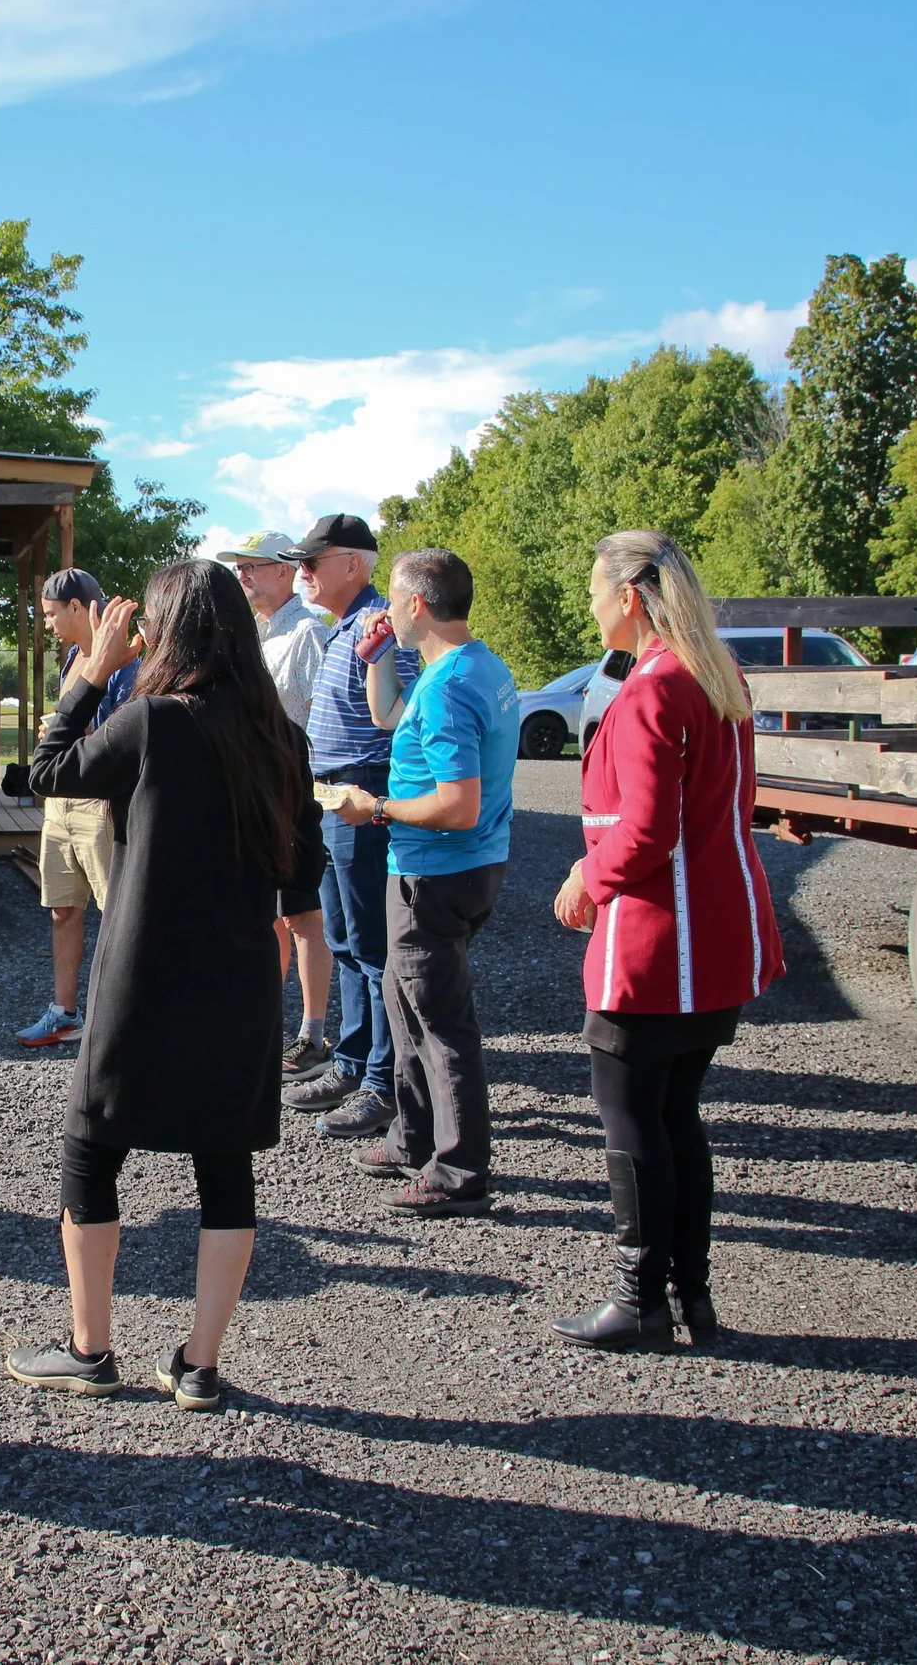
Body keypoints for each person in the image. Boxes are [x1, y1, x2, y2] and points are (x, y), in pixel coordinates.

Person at [5, 558, 323, 1413]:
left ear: (168, 630)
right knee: (224, 1165)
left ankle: (90, 1348)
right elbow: (305, 867)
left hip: (144, 974)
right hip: (242, 976)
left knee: (90, 1147)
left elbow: (48, 772)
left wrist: (91, 671)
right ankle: (200, 1365)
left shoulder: (154, 722)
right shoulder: (279, 735)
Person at [549, 530, 784, 1349]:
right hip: (717, 931)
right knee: (677, 1112)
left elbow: (647, 831)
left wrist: (588, 875)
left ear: (629, 597)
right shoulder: (716, 676)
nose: (588, 602)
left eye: (593, 586)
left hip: (658, 940)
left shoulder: (653, 688)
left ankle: (639, 1297)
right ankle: (692, 1297)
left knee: (632, 1119)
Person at [332, 550, 520, 1215]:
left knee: (440, 1019)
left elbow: (457, 803)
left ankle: (460, 1168)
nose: (385, 610)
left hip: (435, 872)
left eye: (394, 602)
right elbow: (390, 717)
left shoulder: (446, 688)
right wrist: (377, 654)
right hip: (458, 865)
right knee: (401, 994)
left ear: (417, 605)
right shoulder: (476, 665)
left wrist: (374, 808)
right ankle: (411, 1133)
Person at [279, 513, 417, 1136]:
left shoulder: (380, 627)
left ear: (354, 564)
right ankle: (356, 1061)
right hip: (338, 795)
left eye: (313, 561)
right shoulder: (348, 627)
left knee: (370, 944)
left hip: (364, 788)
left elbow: (403, 722)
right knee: (345, 938)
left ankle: (382, 1081)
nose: (301, 573)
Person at [207, 531, 335, 1081]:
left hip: (289, 792)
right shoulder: (255, 635)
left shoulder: (306, 633)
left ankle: (313, 1033)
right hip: (257, 793)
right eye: (239, 570)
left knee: (303, 915)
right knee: (270, 914)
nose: (244, 578)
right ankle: (267, 1021)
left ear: (285, 571)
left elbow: (314, 722)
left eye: (253, 567)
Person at [15, 567, 140, 1048]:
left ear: (77, 608)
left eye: (50, 614)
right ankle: (64, 1013)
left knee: (118, 915)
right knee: (62, 911)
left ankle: (118, 1019)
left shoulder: (126, 662)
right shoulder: (71, 657)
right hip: (60, 807)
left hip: (101, 807)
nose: (46, 623)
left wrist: (74, 736)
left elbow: (123, 738)